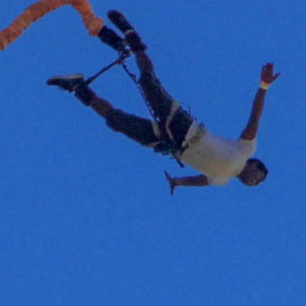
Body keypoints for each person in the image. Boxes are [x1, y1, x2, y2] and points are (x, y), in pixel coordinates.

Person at [47, 10, 278, 193]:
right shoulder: (244, 150)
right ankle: (134, 40)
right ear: (254, 166)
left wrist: (177, 182)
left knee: (117, 121)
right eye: (259, 178)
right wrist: (263, 87)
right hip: (184, 127)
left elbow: (199, 180)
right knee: (148, 83)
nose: (254, 183)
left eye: (256, 184)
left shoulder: (221, 180)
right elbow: (255, 117)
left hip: (168, 143)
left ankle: (77, 87)